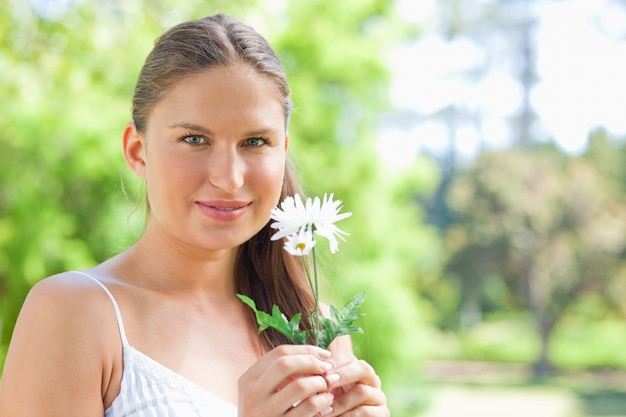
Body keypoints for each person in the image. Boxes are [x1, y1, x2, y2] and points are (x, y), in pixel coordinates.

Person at [0, 13, 388, 417]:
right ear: (138, 151)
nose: (228, 177)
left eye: (255, 141)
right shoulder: (73, 313)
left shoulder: (316, 326)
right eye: (194, 139)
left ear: (283, 150)